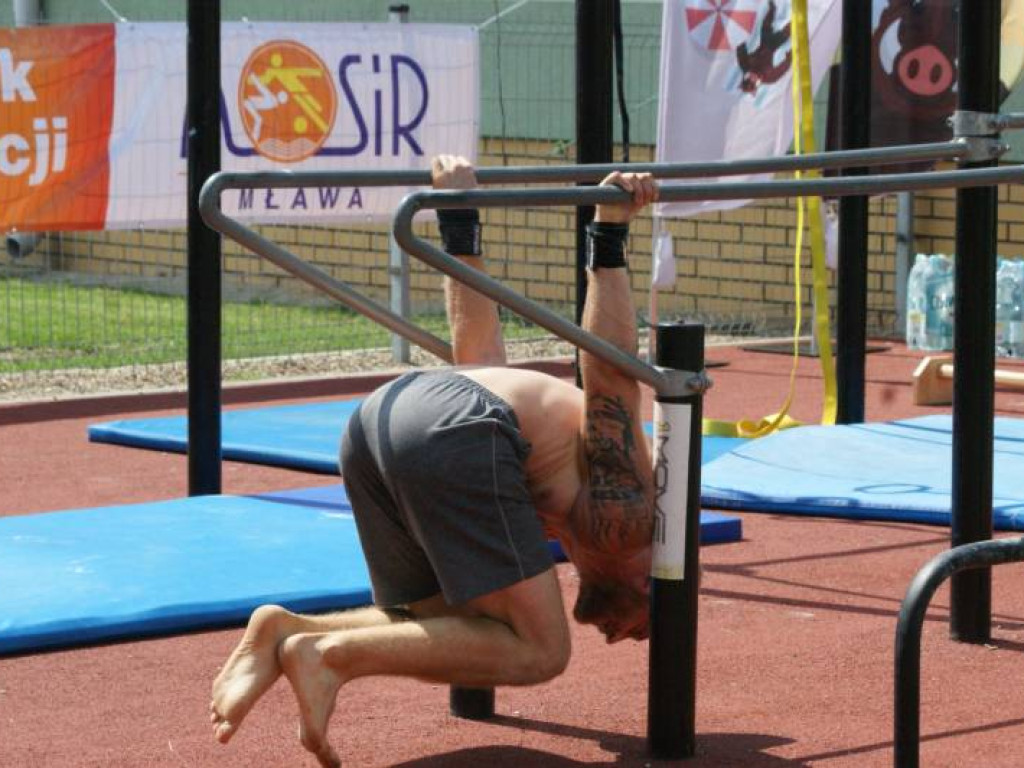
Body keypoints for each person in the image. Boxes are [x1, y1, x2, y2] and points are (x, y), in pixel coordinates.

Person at [209, 155, 660, 768]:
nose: (628, 637)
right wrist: (609, 231)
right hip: (449, 426)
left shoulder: (574, 509)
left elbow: (477, 356)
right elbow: (611, 370)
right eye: (643, 628)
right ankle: (330, 657)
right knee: (541, 651)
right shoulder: (630, 514)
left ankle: (290, 631)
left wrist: (457, 219)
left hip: (383, 416)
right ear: (647, 580)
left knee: (440, 621)